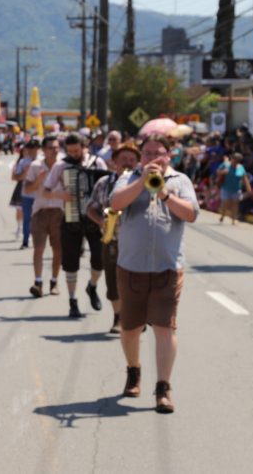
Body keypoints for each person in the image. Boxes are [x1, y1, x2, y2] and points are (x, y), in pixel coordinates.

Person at [110, 135, 198, 414]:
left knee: (165, 327)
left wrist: (164, 194)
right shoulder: (128, 178)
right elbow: (115, 204)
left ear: (168, 156)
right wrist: (141, 183)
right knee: (130, 328)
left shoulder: (181, 181)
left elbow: (191, 214)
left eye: (157, 153)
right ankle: (133, 370)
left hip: (167, 267)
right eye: (146, 153)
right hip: (131, 266)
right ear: (141, 157)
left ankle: (163, 388)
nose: (152, 158)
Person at [43, 133, 107, 317]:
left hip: (95, 218)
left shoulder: (97, 163)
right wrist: (60, 195)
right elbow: (45, 191)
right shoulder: (61, 166)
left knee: (100, 258)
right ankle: (72, 301)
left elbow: (107, 185)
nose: (73, 154)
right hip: (71, 216)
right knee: (70, 262)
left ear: (84, 146)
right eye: (70, 151)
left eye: (76, 150)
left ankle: (92, 286)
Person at [86, 142, 140, 334]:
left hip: (138, 242)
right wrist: (101, 222)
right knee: (113, 281)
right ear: (114, 161)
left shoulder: (143, 182)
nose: (128, 163)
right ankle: (118, 317)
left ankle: (135, 316)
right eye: (123, 159)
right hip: (112, 239)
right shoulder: (104, 183)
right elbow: (90, 208)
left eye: (132, 159)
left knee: (137, 281)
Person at [25, 136, 64, 297]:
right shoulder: (35, 166)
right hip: (40, 211)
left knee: (58, 249)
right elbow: (27, 189)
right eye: (50, 148)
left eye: (56, 147)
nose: (54, 150)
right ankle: (38, 282)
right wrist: (38, 181)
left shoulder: (63, 165)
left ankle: (54, 281)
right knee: (39, 248)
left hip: (59, 212)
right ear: (43, 150)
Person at [13, 140, 39, 249]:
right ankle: (25, 241)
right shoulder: (23, 162)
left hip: (40, 195)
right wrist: (25, 173)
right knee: (27, 218)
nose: (32, 151)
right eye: (30, 149)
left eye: (34, 149)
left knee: (38, 218)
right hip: (27, 194)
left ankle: (38, 240)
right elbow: (16, 177)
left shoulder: (42, 161)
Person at [217, 152, 251, 225]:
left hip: (236, 189)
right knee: (225, 203)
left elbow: (244, 178)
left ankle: (234, 219)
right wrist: (223, 172)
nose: (235, 161)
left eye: (238, 160)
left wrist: (248, 188)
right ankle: (222, 215)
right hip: (225, 188)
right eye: (234, 159)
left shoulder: (241, 167)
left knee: (235, 204)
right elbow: (218, 172)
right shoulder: (226, 165)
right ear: (232, 158)